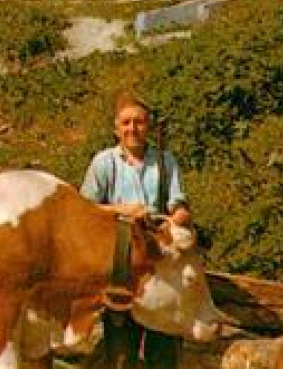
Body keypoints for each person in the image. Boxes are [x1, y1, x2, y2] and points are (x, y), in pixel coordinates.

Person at [80, 92, 192, 367]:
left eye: (139, 122)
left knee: (164, 351)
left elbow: (180, 204)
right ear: (116, 128)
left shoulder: (165, 161)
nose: (133, 129)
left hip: (160, 267)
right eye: (126, 123)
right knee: (121, 353)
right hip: (121, 268)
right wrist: (123, 210)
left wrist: (178, 217)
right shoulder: (104, 163)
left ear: (149, 126)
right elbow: (84, 210)